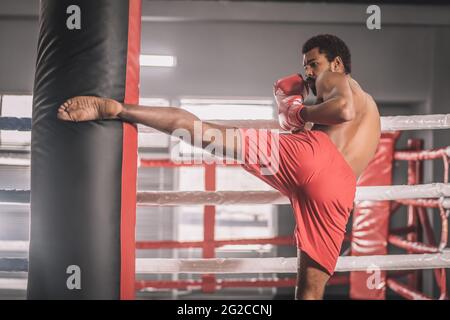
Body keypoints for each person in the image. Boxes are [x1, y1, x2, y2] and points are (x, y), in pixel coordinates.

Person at [57, 34, 380, 300]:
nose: (309, 72)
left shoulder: (334, 77)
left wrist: (296, 114)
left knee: (202, 133)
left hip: (312, 157)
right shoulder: (373, 110)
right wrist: (299, 115)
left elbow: (342, 110)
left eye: (313, 63)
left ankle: (117, 110)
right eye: (307, 66)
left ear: (336, 62)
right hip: (339, 189)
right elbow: (345, 122)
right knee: (310, 291)